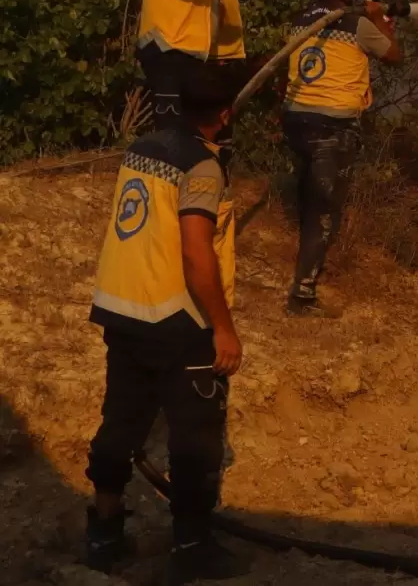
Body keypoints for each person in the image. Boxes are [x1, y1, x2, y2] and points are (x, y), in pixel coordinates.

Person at [84, 66, 251, 583]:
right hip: (177, 318)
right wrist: (222, 327)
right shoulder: (201, 167)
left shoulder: (141, 148)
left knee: (120, 423)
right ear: (224, 115)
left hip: (123, 308)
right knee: (195, 438)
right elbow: (196, 252)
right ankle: (194, 545)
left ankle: (103, 535)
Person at [135, 0, 253, 282]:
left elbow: (221, 17)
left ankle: (196, 233)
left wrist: (232, 61)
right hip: (167, 54)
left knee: (205, 145)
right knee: (171, 144)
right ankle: (158, 232)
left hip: (201, 61)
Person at [282, 0, 402, 315]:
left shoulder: (299, 21)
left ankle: (306, 264)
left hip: (296, 121)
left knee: (308, 199)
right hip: (332, 127)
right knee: (324, 210)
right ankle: (302, 296)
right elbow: (394, 55)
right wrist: (381, 20)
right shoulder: (357, 24)